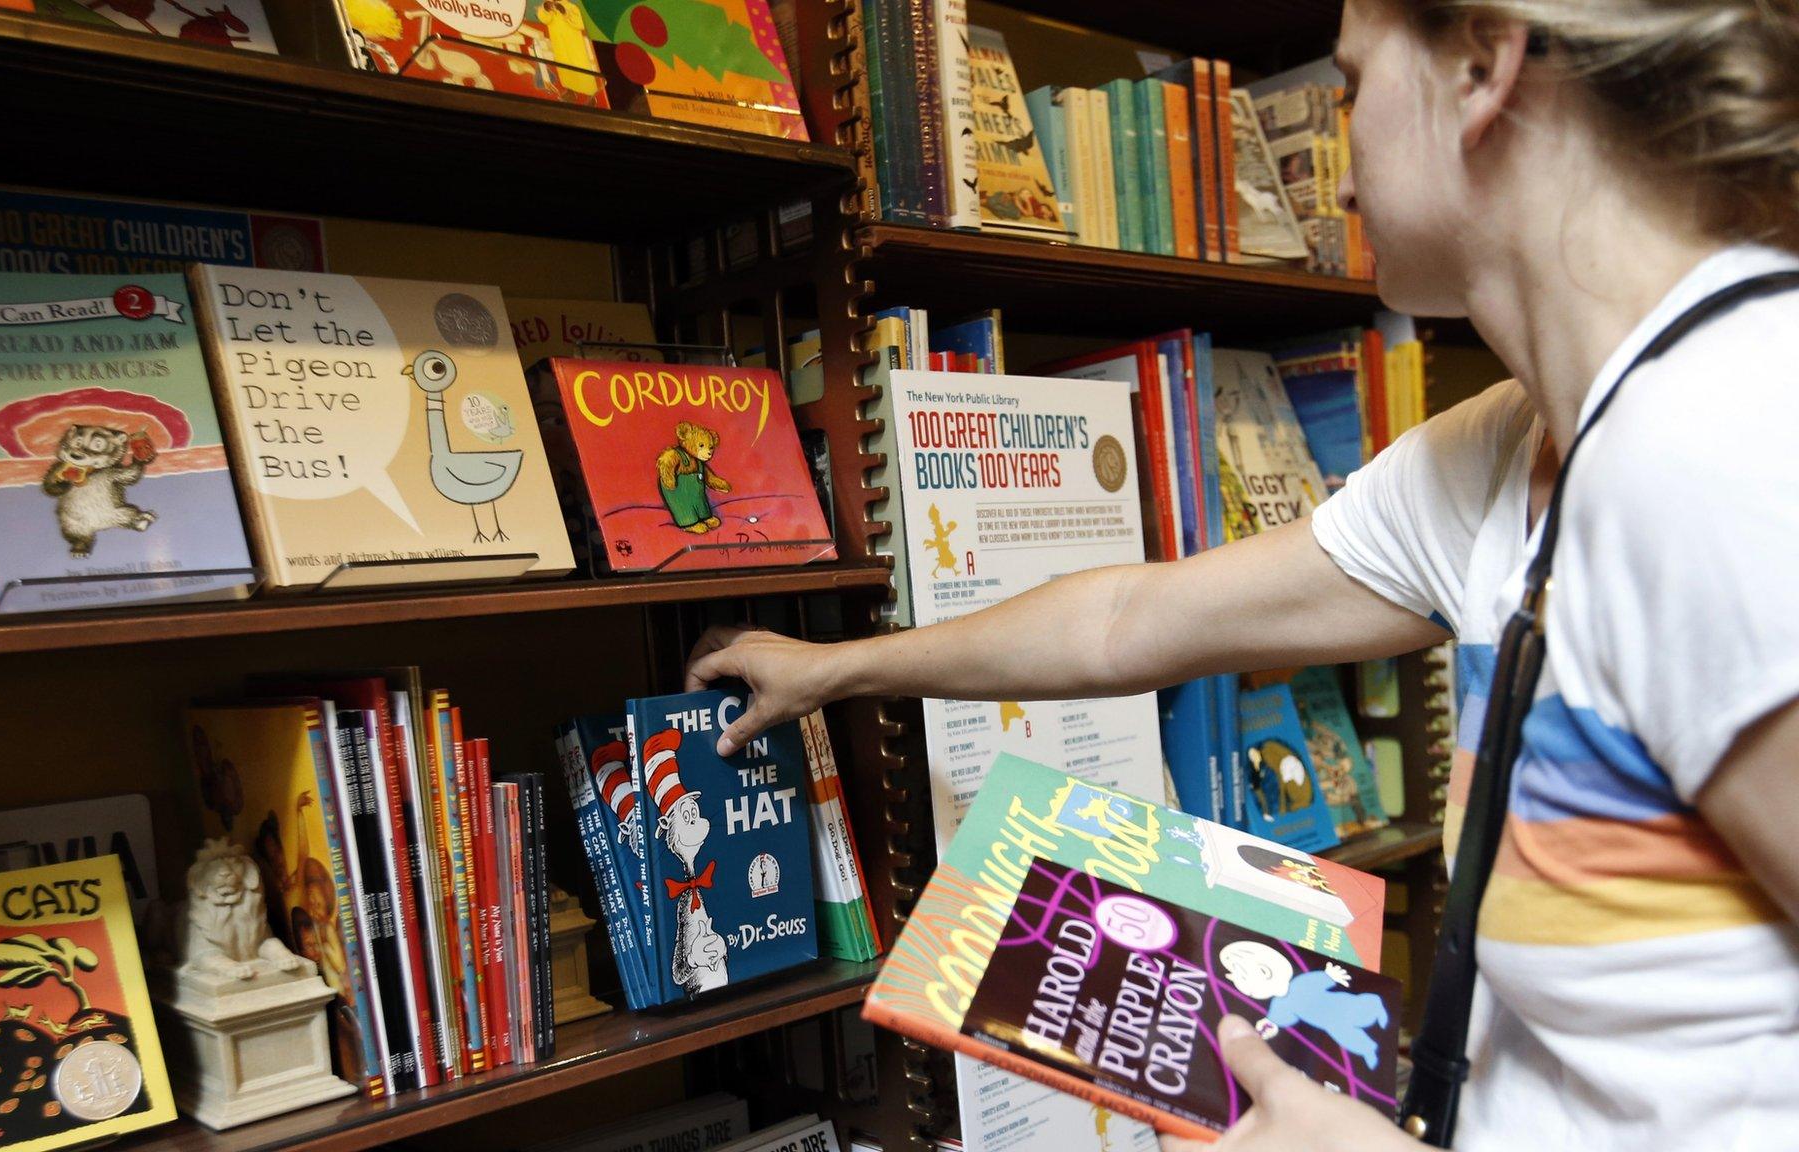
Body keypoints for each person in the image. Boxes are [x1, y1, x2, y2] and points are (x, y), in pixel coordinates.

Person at [686, 0, 1799, 1146]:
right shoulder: (1510, 451)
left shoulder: (1726, 450)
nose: (1333, 144)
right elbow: (1128, 620)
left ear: (1478, 68)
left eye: (1355, 83)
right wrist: (835, 669)